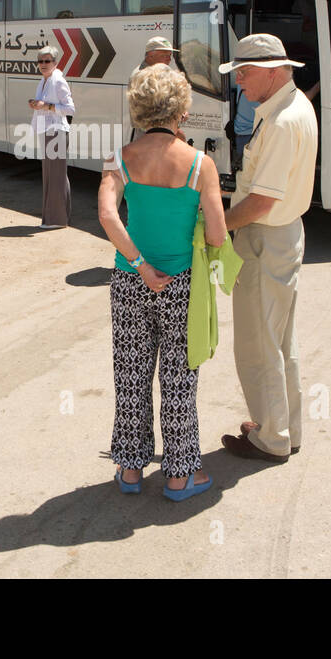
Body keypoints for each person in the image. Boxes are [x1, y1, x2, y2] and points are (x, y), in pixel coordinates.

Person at [98, 65, 227, 502]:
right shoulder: (200, 165)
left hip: (130, 282)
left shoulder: (120, 159)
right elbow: (216, 235)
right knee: (179, 378)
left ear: (138, 109)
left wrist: (137, 263)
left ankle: (130, 470)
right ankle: (180, 476)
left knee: (130, 374)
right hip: (182, 287)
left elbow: (107, 216)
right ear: (182, 110)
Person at [218, 34, 317, 464]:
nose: (239, 81)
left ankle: (270, 437)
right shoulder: (293, 107)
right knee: (280, 341)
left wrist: (216, 229)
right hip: (285, 234)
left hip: (265, 236)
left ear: (274, 71)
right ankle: (285, 429)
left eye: (244, 72)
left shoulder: (279, 122)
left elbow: (261, 202)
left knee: (259, 345)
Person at [29, 45, 75, 229]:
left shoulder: (57, 81)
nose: (43, 64)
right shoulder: (45, 80)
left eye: (47, 61)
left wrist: (46, 106)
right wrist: (37, 104)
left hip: (55, 131)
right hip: (48, 131)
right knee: (56, 175)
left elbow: (70, 108)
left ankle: (56, 220)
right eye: (40, 61)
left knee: (54, 176)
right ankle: (60, 217)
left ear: (55, 63)